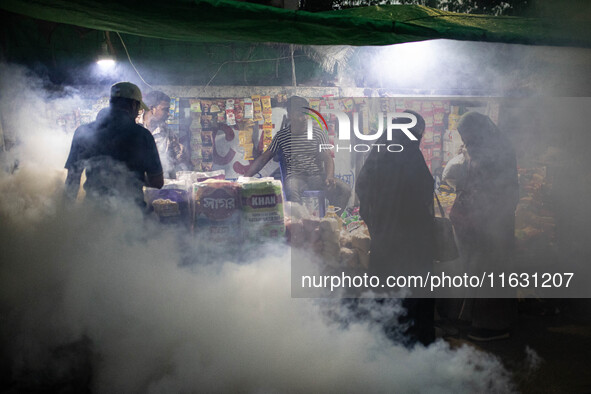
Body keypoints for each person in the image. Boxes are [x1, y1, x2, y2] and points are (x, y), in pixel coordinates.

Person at [356, 110, 436, 347]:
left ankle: (384, 340)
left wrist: (376, 224)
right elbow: (424, 191)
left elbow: (362, 188)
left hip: (385, 238)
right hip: (412, 241)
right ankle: (414, 343)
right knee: (413, 292)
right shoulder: (411, 155)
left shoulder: (379, 152)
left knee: (386, 290)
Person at [449, 111, 519, 341]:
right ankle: (477, 320)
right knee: (480, 272)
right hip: (482, 221)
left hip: (493, 224)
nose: (466, 141)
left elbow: (495, 190)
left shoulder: (495, 152)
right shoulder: (485, 147)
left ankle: (492, 328)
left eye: (467, 136)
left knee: (492, 272)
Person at [65, 82, 164, 209]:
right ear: (134, 105)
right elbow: (157, 182)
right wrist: (132, 176)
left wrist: (65, 217)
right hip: (131, 215)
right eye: (138, 109)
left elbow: (72, 180)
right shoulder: (143, 135)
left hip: (93, 213)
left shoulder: (83, 132)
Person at [244, 96, 351, 208]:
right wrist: (246, 177)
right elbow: (263, 158)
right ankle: (299, 223)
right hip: (295, 178)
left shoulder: (318, 133)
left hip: (317, 177)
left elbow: (328, 158)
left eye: (306, 114)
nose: (304, 118)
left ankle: (331, 220)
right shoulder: (282, 136)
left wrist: (330, 176)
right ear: (290, 115)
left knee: (345, 190)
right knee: (291, 190)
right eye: (300, 114)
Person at [138, 90, 187, 178]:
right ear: (152, 108)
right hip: (134, 183)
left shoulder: (167, 132)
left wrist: (182, 154)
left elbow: (177, 159)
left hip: (159, 183)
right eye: (165, 109)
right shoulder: (133, 125)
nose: (168, 114)